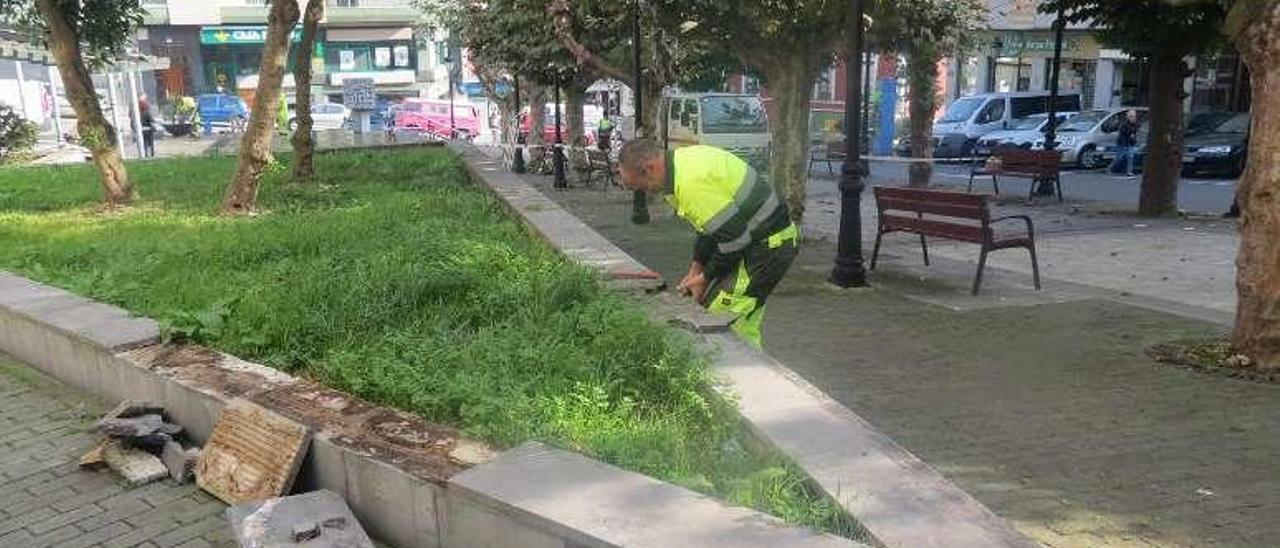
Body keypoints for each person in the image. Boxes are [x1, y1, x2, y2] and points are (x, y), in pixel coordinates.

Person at [617, 140, 799, 348]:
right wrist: (696, 272)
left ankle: (738, 374)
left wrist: (705, 278)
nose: (646, 192)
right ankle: (754, 368)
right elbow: (709, 229)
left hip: (766, 247)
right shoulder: (682, 165)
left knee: (720, 321)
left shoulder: (690, 183)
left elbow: (734, 239)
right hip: (766, 242)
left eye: (640, 186)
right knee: (741, 319)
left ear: (649, 168)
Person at [1111, 109, 1140, 176]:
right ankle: (1111, 167)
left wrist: (1133, 139)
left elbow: (1134, 132)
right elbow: (1123, 133)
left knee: (1130, 157)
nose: (1132, 118)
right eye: (1131, 116)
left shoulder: (1136, 124)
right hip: (1122, 143)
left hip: (1130, 143)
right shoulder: (1124, 124)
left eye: (1133, 116)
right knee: (1119, 158)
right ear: (1127, 117)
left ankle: (1129, 171)